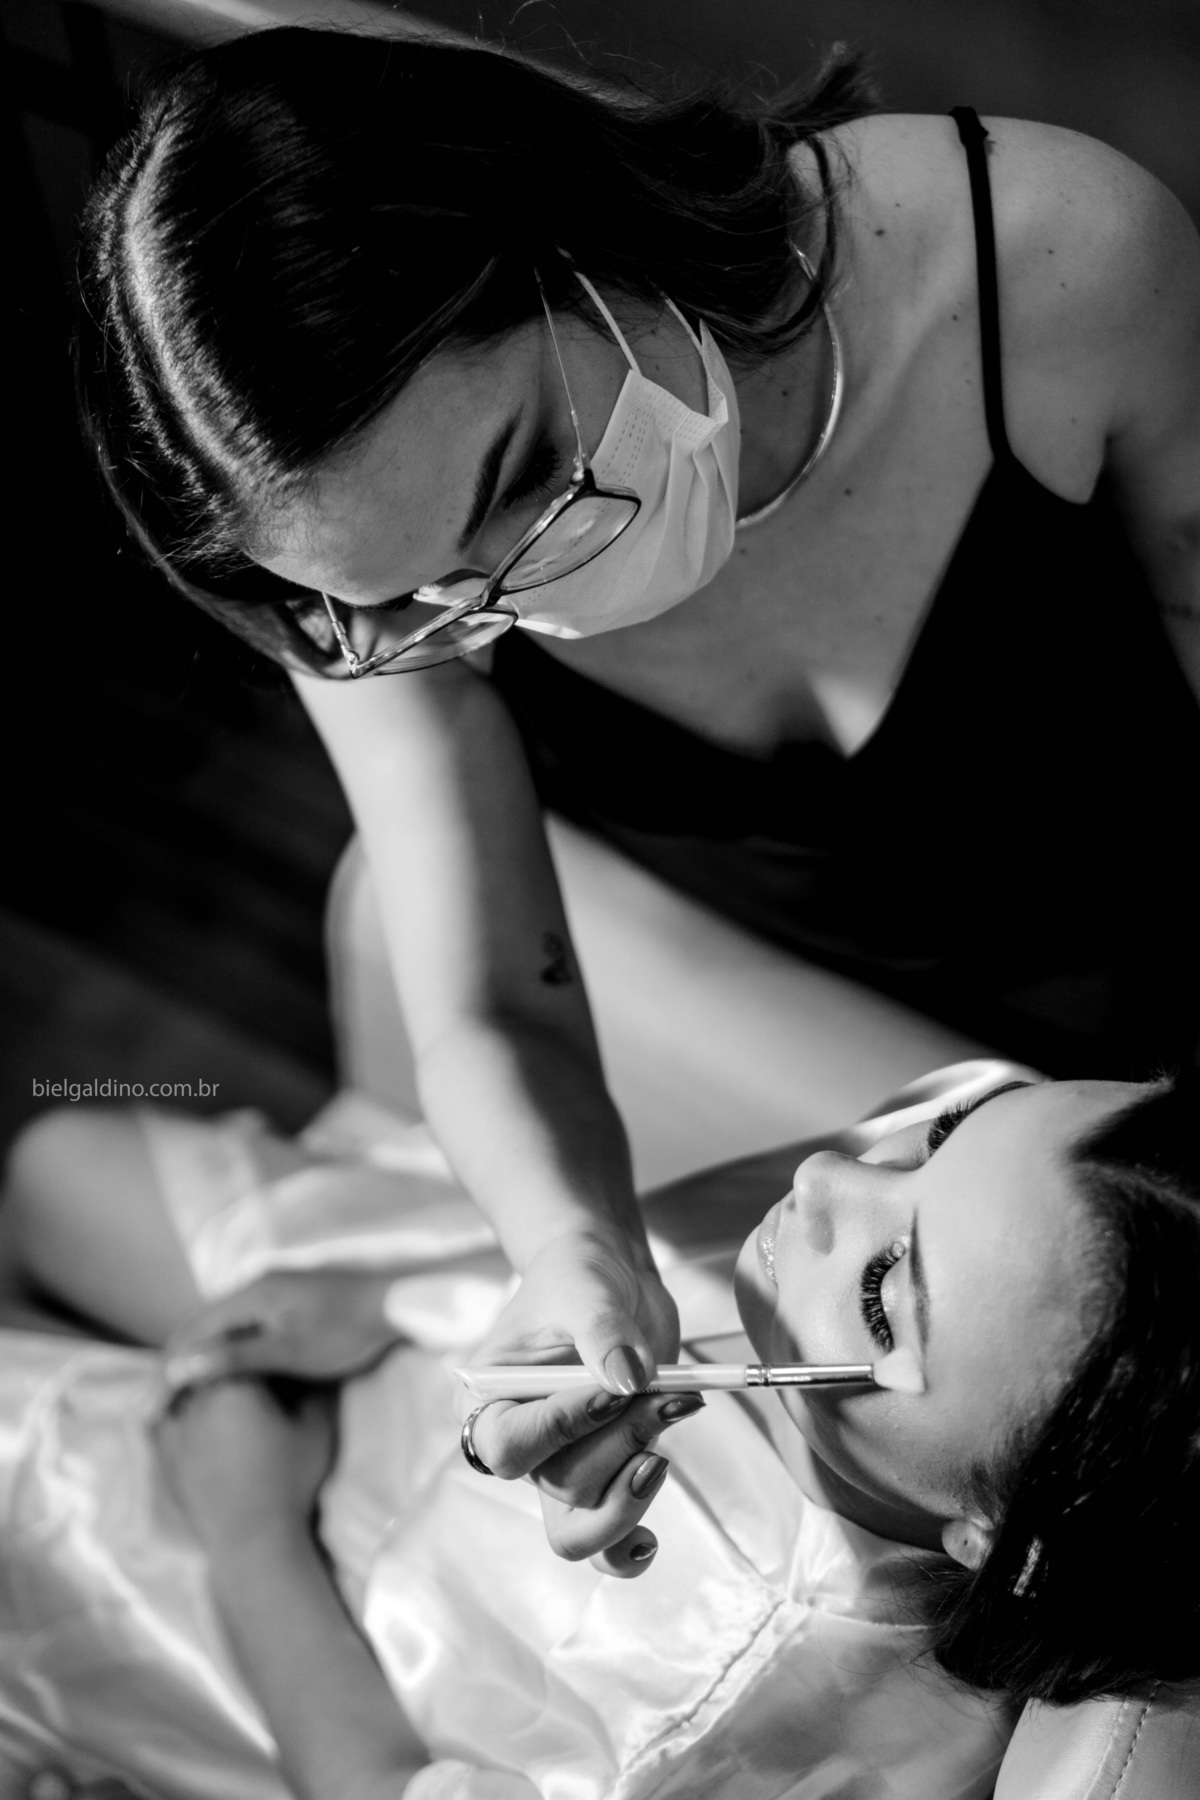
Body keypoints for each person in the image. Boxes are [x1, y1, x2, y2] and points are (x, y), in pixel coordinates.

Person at [74, 25, 1200, 1540]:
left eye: (525, 474)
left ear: (568, 227)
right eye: (428, 601)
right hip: (908, 1092)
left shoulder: (1052, 263)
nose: (527, 600)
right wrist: (571, 1254)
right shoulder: (360, 589)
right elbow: (487, 998)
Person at [0, 1064, 1198, 1798]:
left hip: (266, 1572)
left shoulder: (753, 1703)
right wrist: (387, 1301)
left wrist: (247, 1522)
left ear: (1003, 1533)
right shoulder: (1003, 1206)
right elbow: (651, 1233)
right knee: (54, 1158)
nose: (830, 1179)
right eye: (938, 1142)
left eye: (887, 1286)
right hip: (405, 1336)